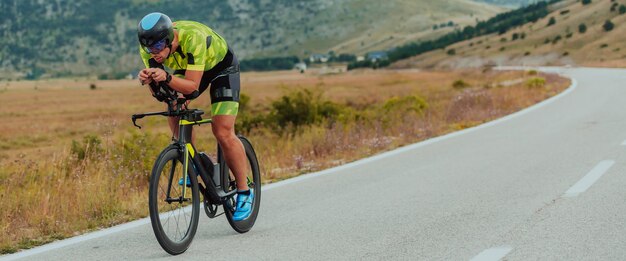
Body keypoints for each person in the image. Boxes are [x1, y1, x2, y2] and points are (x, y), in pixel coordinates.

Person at [137, 12, 252, 221]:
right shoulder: (149, 49)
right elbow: (160, 94)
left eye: (157, 46)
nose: (153, 53)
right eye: (149, 48)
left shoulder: (194, 37)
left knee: (222, 130)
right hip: (189, 68)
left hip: (221, 70)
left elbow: (192, 87)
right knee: (173, 105)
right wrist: (150, 81)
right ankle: (193, 161)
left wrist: (168, 77)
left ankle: (245, 191)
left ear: (170, 39)